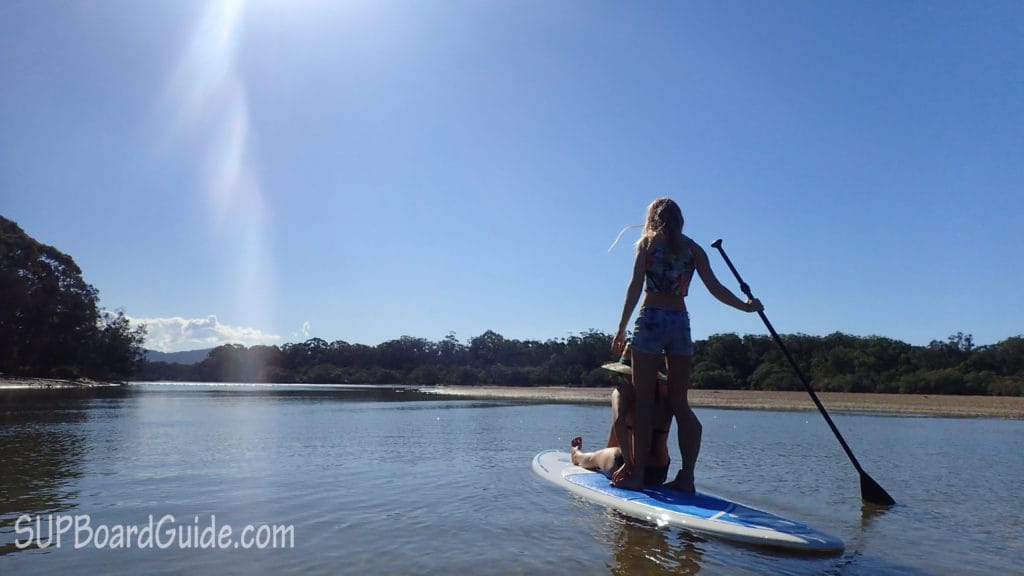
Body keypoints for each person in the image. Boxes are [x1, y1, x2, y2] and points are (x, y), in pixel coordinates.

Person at [611, 197, 762, 492]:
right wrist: (746, 307)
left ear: (652, 218)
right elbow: (716, 288)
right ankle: (687, 477)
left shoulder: (647, 244)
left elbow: (634, 287)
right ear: (680, 220)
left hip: (651, 318)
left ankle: (639, 474)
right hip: (680, 322)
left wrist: (621, 328)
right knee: (680, 403)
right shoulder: (692, 249)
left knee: (644, 402)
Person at [570, 359, 673, 486]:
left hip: (626, 464)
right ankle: (606, 453)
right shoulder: (666, 394)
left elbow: (619, 422)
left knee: (592, 458)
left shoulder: (623, 392)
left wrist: (627, 463)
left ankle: (576, 454)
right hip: (659, 471)